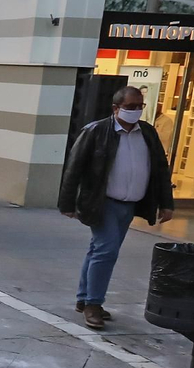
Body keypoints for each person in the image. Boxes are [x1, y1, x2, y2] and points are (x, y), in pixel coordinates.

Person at [58, 86, 174, 330]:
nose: (135, 111)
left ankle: (84, 298)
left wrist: (166, 203)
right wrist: (67, 203)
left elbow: (161, 169)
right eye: (130, 107)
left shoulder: (148, 134)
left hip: (130, 204)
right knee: (106, 251)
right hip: (102, 202)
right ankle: (93, 304)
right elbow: (74, 168)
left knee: (98, 249)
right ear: (115, 108)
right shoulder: (97, 131)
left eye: (139, 106)